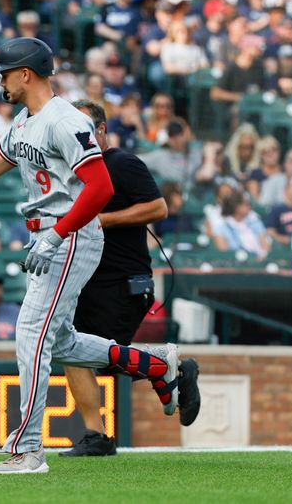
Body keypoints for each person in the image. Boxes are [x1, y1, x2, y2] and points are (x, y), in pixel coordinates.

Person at [0, 38, 183, 474]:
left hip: (68, 235)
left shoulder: (65, 120)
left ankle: (28, 450)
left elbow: (101, 187)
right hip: (50, 235)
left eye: (5, 73)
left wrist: (58, 235)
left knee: (31, 332)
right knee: (63, 341)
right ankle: (159, 365)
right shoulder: (26, 121)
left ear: (26, 73)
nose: (1, 82)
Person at [58, 100, 199, 457]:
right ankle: (95, 435)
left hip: (124, 279)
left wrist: (102, 219)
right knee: (69, 348)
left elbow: (158, 208)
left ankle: (161, 365)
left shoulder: (122, 163)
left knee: (93, 354)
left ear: (102, 131)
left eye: (85, 130)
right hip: (88, 280)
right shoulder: (73, 171)